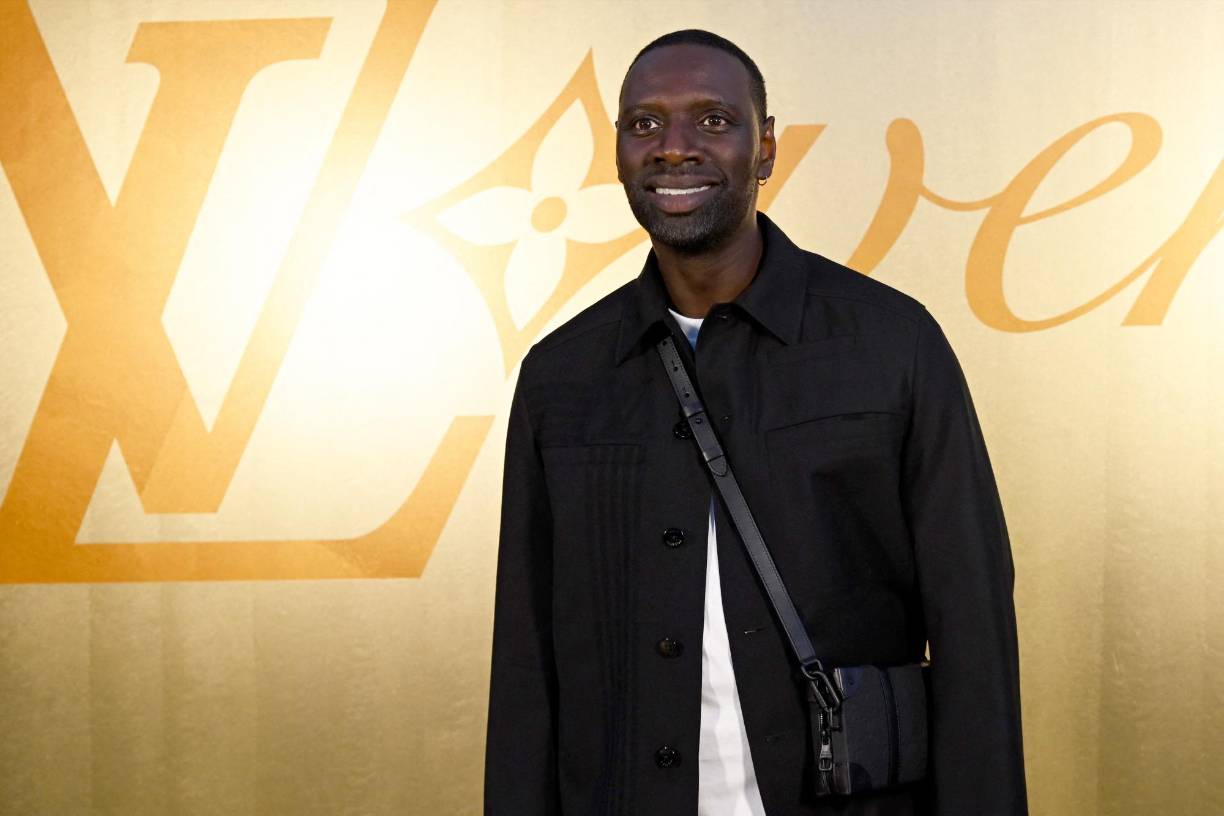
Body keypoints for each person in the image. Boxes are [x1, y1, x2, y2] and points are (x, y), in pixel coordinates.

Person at [484, 28, 1027, 816]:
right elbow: (526, 663)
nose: (674, 147)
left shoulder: (892, 345)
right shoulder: (560, 377)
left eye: (713, 120)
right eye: (644, 124)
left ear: (765, 147)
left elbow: (971, 625)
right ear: (618, 153)